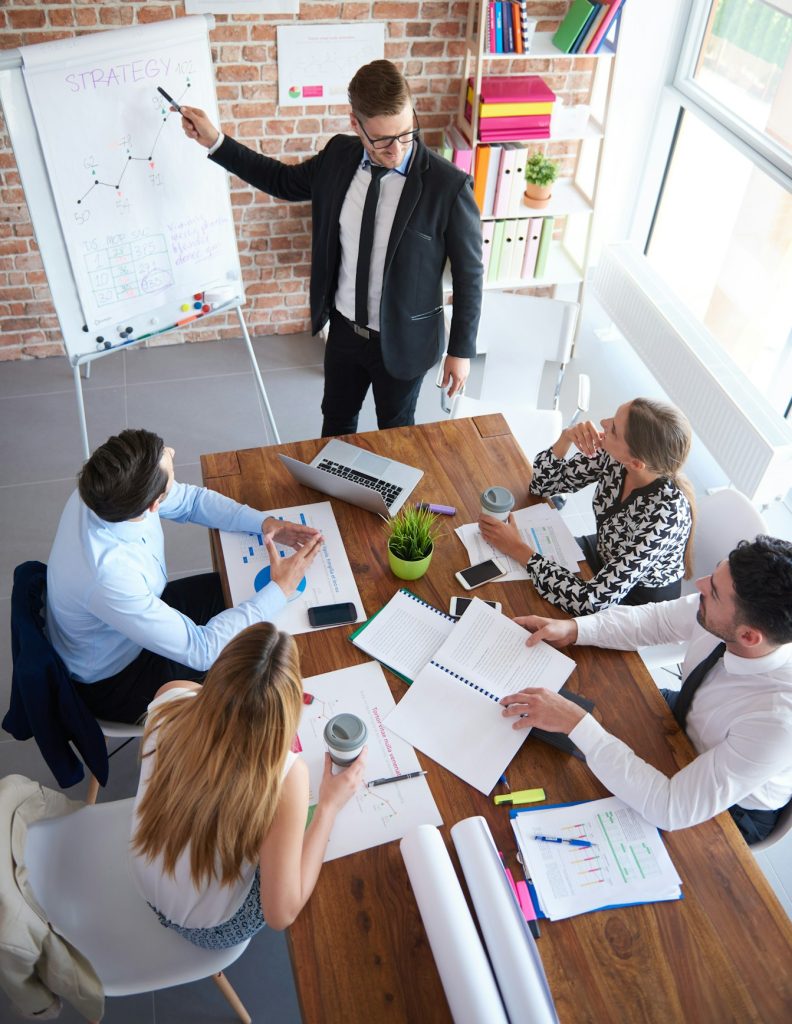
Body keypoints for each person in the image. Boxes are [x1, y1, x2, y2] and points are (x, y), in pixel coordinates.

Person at [178, 59, 483, 437]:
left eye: (407, 133)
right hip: (343, 330)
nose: (399, 149)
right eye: (384, 140)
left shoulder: (447, 186)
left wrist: (461, 350)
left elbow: (470, 275)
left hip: (405, 340)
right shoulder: (339, 156)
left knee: (398, 433)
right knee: (335, 425)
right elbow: (282, 180)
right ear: (355, 124)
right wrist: (216, 142)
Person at [500, 536, 792, 845]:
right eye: (717, 571)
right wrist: (574, 629)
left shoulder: (776, 721)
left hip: (729, 808)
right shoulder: (727, 613)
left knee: (566, 788)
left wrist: (575, 724)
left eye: (714, 592)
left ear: (748, 637)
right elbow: (657, 620)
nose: (701, 584)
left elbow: (670, 807)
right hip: (683, 718)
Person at [46, 428, 322, 724]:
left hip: (130, 622)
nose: (174, 451)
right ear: (154, 505)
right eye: (168, 462)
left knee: (240, 594)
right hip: (120, 679)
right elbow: (202, 650)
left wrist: (264, 523)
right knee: (261, 664)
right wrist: (279, 588)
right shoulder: (107, 575)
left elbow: (191, 501)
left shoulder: (104, 489)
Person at [130, 622, 367, 946]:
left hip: (148, 876)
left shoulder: (170, 696)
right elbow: (280, 915)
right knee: (294, 848)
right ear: (289, 708)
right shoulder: (286, 777)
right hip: (208, 928)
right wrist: (328, 806)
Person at [479, 398, 695, 614]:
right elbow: (541, 486)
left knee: (524, 602)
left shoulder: (666, 517)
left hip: (634, 600)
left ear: (636, 463)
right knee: (510, 580)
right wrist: (566, 438)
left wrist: (517, 548)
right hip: (603, 551)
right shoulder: (616, 457)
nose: (603, 422)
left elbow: (591, 601)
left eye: (614, 429)